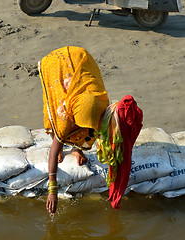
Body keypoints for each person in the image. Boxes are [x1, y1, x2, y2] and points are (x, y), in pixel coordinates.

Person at [38, 46, 143, 215]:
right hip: (57, 65)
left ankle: (75, 148)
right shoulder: (67, 118)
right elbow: (52, 154)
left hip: (80, 60)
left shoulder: (102, 107)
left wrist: (78, 147)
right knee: (55, 111)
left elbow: (95, 129)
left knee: (87, 125)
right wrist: (52, 190)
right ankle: (59, 140)